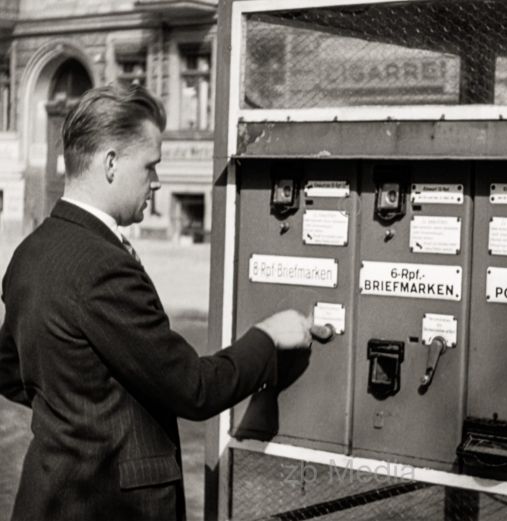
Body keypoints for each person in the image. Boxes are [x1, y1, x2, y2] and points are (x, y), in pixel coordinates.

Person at [0, 84, 316, 520]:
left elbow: (10, 369)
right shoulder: (103, 266)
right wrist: (268, 337)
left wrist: (79, 412)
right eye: (150, 166)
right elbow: (193, 389)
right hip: (110, 505)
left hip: (49, 494)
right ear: (110, 163)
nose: (157, 180)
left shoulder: (30, 252)